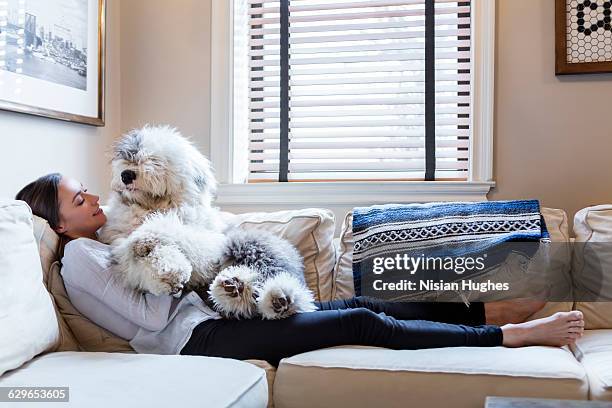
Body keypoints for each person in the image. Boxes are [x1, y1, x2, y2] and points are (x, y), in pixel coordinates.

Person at [16, 173, 585, 366]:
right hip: (199, 339)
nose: (93, 197)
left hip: (216, 315)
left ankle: (486, 310)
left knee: (360, 304)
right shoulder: (81, 262)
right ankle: (507, 335)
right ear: (58, 223)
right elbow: (151, 311)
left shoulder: (111, 239)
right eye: (77, 198)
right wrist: (180, 262)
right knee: (362, 325)